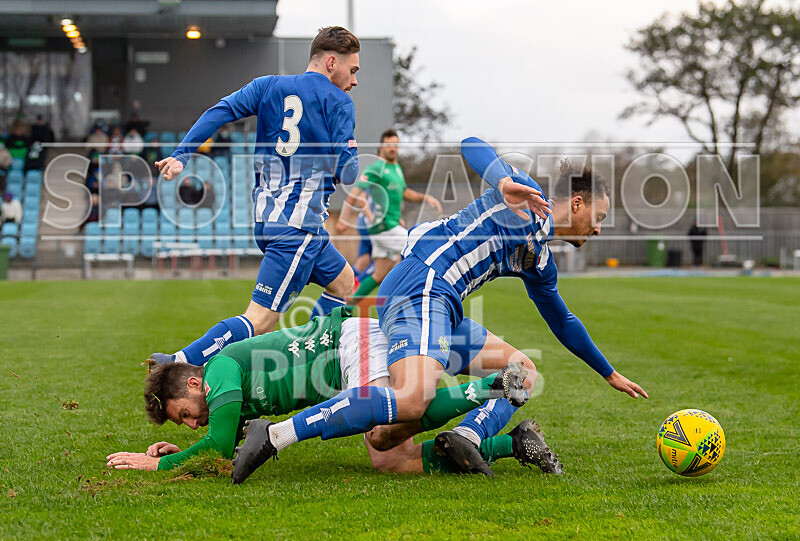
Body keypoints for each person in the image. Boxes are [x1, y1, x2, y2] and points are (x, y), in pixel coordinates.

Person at [232, 136, 647, 482]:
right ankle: (274, 435)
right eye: (599, 216)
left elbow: (563, 321)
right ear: (576, 203)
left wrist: (608, 372)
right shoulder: (524, 195)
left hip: (442, 304)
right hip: (426, 282)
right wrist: (503, 181)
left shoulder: (538, 260)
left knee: (520, 374)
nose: (598, 227)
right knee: (412, 399)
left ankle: (467, 434)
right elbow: (473, 145)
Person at [106, 308, 555, 478]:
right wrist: (183, 448)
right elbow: (222, 441)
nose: (191, 422)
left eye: (184, 414)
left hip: (350, 342)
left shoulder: (220, 368)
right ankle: (513, 443)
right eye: (183, 424)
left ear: (193, 383)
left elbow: (221, 446)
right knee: (390, 460)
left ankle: (491, 385)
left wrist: (158, 463)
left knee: (385, 430)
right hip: (349, 362)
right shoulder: (224, 390)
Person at [149, 27, 362, 366]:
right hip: (298, 228)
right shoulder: (338, 102)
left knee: (346, 284)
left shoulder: (268, 86)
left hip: (270, 221)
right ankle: (178, 361)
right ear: (332, 62)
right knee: (260, 321)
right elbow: (348, 173)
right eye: (352, 71)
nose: (354, 81)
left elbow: (219, 111)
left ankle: (309, 358)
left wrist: (181, 154)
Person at [336, 129, 442, 307]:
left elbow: (404, 193)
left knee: (378, 274)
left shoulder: (397, 168)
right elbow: (355, 193)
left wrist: (425, 197)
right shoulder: (377, 168)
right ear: (382, 146)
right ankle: (415, 306)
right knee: (418, 251)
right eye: (388, 145)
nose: (392, 148)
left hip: (390, 226)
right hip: (384, 227)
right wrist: (342, 220)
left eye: (395, 144)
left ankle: (345, 307)